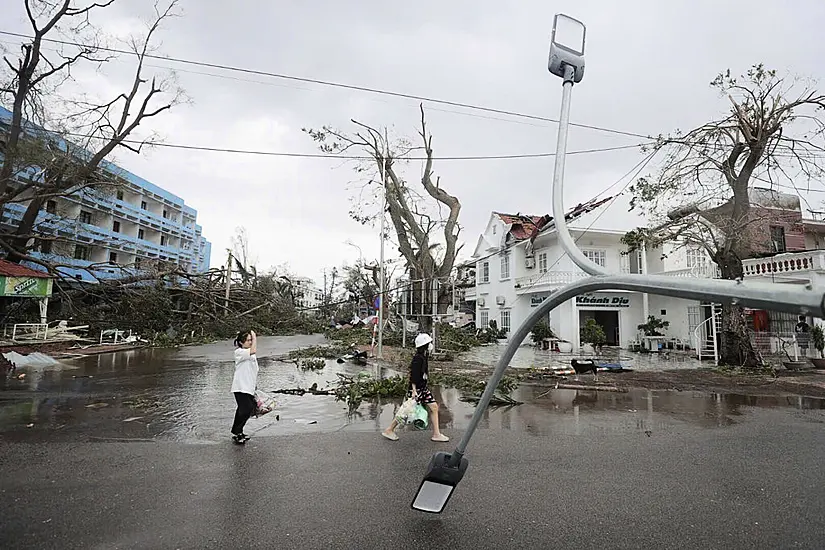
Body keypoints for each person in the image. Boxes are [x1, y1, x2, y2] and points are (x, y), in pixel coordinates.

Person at [382, 333, 449, 442]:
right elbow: (413, 375)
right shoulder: (418, 359)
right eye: (429, 343)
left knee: (434, 407)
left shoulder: (423, 357)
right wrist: (413, 390)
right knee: (406, 411)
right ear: (425, 345)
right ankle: (389, 430)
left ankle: (436, 434)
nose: (430, 345)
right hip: (417, 390)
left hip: (423, 389)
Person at [231, 329, 258, 444]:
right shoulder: (239, 352)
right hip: (240, 387)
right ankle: (237, 432)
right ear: (241, 342)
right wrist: (255, 337)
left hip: (248, 387)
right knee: (245, 409)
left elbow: (253, 371)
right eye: (248, 340)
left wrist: (254, 386)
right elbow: (253, 350)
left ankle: (238, 431)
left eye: (251, 340)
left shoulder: (251, 355)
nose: (250, 342)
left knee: (247, 409)